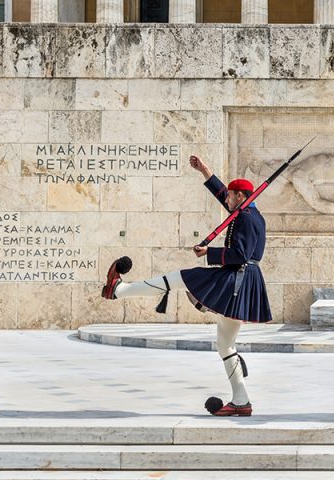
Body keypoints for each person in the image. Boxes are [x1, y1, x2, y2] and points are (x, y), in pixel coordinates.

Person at [101, 154, 271, 417]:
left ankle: (119, 290)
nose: (226, 198)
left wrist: (208, 253)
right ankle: (241, 400)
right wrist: (205, 171)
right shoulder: (247, 212)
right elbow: (221, 195)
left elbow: (240, 253)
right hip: (242, 279)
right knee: (225, 344)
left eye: (230, 195)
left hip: (237, 278)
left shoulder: (247, 218)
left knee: (183, 277)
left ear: (239, 196)